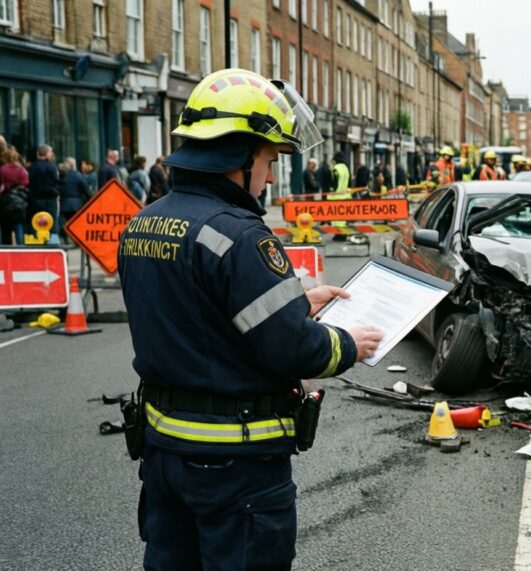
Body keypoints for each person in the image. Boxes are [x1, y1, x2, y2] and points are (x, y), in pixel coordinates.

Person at [117, 68, 383, 570]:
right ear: (237, 158)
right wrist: (349, 342)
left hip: (164, 454)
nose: (267, 175)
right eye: (266, 160)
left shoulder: (142, 223)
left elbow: (197, 316)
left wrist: (297, 302)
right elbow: (296, 350)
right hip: (235, 466)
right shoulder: (242, 237)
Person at [27, 144, 60, 237]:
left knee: (36, 220)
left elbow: (30, 182)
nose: (52, 154)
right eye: (51, 152)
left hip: (36, 198)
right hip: (50, 197)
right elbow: (55, 181)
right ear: (46, 153)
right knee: (51, 221)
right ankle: (52, 239)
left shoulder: (32, 167)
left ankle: (36, 238)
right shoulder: (52, 167)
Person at [0, 148, 30, 245]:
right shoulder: (22, 170)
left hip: (5, 200)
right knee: (19, 225)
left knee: (5, 227)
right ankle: (20, 248)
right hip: (19, 200)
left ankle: (5, 248)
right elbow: (26, 183)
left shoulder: (3, 169)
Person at [59, 157, 89, 240]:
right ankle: (76, 239)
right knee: (77, 223)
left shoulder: (63, 177)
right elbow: (85, 190)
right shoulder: (79, 176)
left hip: (65, 203)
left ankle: (65, 238)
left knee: (65, 221)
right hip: (77, 203)